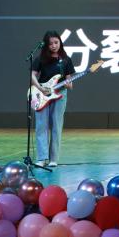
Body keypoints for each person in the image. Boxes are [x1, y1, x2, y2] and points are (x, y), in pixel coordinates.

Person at [30, 30, 75, 168]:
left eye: (56, 42)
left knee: (56, 125)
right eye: (50, 44)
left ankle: (53, 159)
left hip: (60, 95)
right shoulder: (40, 59)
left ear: (60, 42)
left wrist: (68, 84)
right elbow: (32, 75)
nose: (54, 46)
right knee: (41, 126)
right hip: (42, 94)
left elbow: (70, 83)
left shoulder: (66, 60)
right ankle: (41, 158)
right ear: (46, 45)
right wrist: (40, 87)